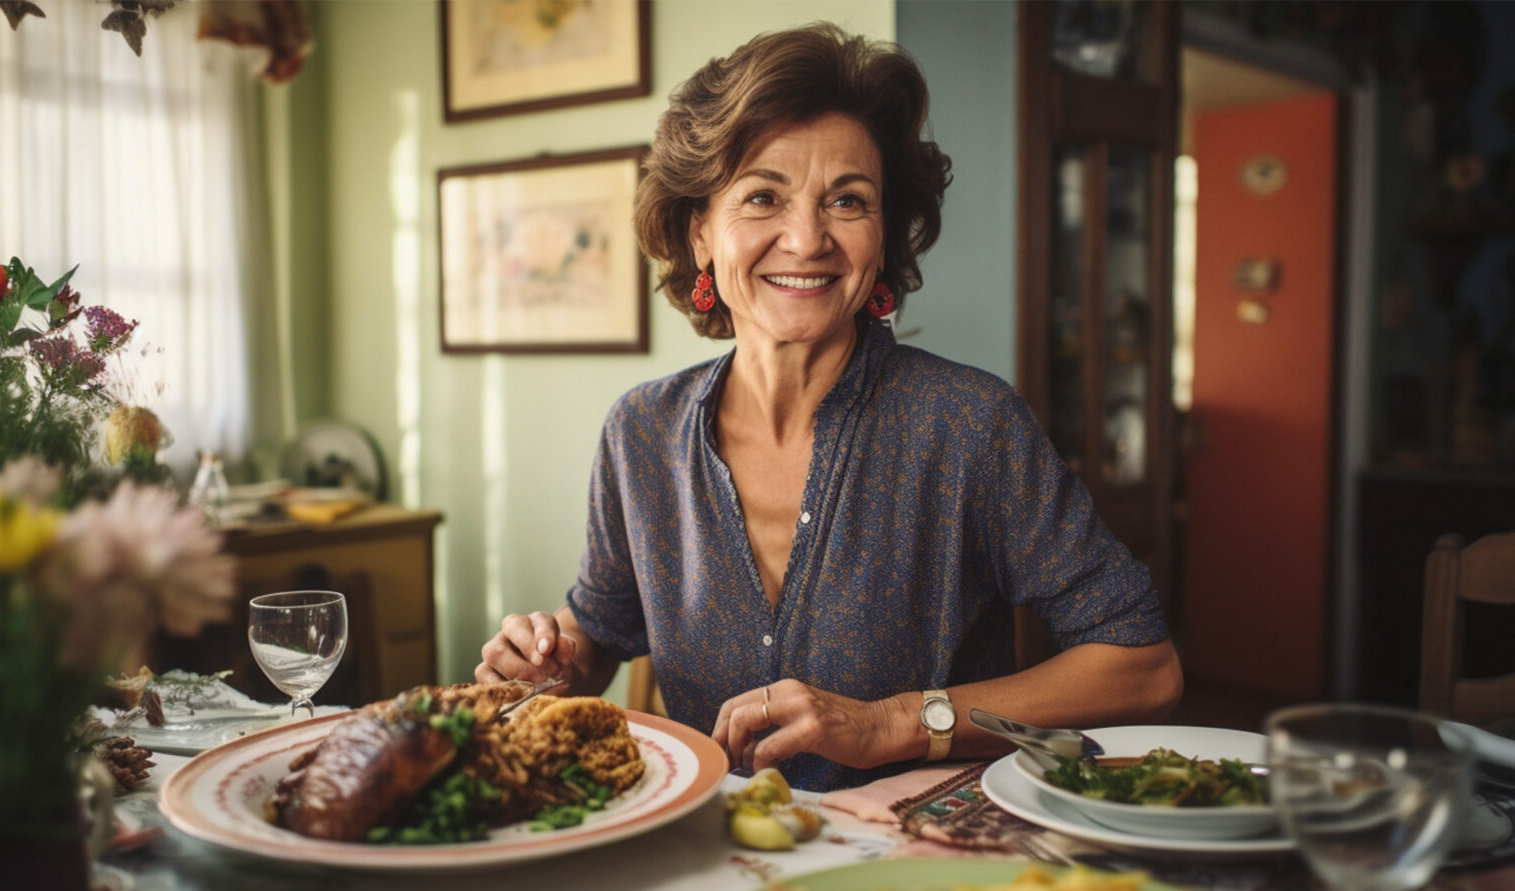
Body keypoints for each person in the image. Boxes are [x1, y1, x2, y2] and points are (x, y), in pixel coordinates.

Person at [476, 23, 1182, 791]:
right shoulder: (640, 431)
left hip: (925, 860)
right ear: (700, 232)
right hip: (711, 853)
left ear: (881, 240)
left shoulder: (969, 424)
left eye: (848, 200)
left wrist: (897, 722)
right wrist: (551, 656)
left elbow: (1143, 666)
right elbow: (602, 629)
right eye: (763, 197)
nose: (807, 238)